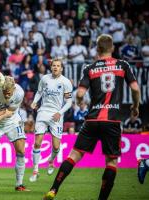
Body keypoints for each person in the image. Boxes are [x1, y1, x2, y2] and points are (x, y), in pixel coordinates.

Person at [43, 34, 140, 200]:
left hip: (93, 120)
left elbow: (80, 94)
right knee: (111, 162)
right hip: (112, 121)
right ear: (112, 48)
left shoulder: (90, 68)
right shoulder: (122, 65)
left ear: (97, 49)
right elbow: (136, 89)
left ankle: (53, 190)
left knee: (74, 156)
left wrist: (81, 103)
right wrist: (135, 106)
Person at [29, 58, 73, 182]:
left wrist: (60, 113)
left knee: (56, 146)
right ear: (51, 67)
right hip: (43, 112)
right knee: (37, 143)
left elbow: (69, 102)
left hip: (56, 115)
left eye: (58, 66)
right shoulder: (44, 79)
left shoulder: (66, 82)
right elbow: (39, 92)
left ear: (61, 68)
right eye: (54, 65)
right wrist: (34, 102)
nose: (55, 67)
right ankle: (35, 170)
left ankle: (51, 160)